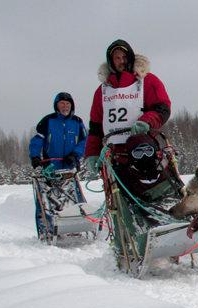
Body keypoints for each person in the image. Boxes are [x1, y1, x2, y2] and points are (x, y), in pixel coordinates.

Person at [83, 39, 171, 173]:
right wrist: (92, 153)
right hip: (115, 155)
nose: (121, 61)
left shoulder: (147, 81)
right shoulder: (102, 91)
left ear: (130, 57)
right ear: (111, 61)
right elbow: (95, 127)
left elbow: (162, 108)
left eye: (124, 57)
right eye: (117, 58)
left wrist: (146, 121)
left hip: (144, 150)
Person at [28, 92, 87, 234]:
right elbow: (37, 140)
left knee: (72, 196)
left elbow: (85, 141)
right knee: (47, 199)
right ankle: (45, 228)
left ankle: (77, 226)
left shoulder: (77, 122)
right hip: (50, 166)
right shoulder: (48, 121)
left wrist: (75, 155)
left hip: (69, 165)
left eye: (68, 103)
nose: (65, 106)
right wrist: (35, 156)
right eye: (62, 103)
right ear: (57, 105)